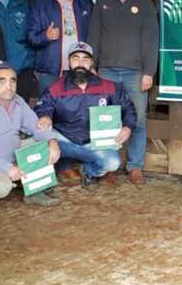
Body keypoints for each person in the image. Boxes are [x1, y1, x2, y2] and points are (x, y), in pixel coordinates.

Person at [86, 0, 157, 185]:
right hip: (106, 71)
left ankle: (135, 166)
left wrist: (149, 72)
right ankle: (109, 165)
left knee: (138, 120)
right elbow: (93, 36)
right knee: (105, 120)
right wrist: (92, 67)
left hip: (135, 72)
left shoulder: (145, 4)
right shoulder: (102, 2)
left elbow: (151, 40)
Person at [35, 42, 135, 189]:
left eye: (85, 59)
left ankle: (88, 172)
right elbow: (43, 106)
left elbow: (128, 108)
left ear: (92, 63)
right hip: (63, 140)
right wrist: (45, 116)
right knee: (37, 139)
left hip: (93, 142)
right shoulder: (55, 88)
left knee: (112, 162)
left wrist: (127, 127)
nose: (80, 63)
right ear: (68, 61)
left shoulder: (110, 87)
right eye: (75, 58)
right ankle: (42, 184)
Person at [0, 61, 61, 206]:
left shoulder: (17, 100)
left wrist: (52, 141)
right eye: (1, 81)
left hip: (13, 155)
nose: (9, 86)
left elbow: (35, 126)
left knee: (43, 144)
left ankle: (33, 192)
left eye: (13, 80)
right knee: (0, 188)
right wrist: (7, 168)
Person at [27, 0, 94, 94]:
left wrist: (93, 64)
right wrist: (45, 36)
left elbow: (96, 36)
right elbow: (31, 37)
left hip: (80, 69)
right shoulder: (40, 5)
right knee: (48, 111)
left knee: (77, 111)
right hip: (49, 71)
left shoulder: (85, 3)